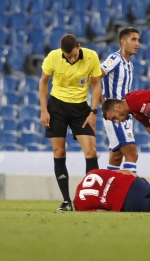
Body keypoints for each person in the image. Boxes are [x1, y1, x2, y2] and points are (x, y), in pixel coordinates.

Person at [39, 34, 103, 211]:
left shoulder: (91, 56)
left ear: (79, 47)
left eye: (74, 55)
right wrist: (44, 110)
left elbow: (96, 84)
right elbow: (43, 81)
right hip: (57, 107)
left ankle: (92, 201)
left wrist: (93, 111)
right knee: (59, 152)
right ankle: (66, 201)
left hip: (80, 109)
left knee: (91, 151)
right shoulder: (53, 57)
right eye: (68, 57)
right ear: (62, 53)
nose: (72, 59)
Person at [100, 27, 140, 173]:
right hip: (116, 115)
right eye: (133, 40)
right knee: (132, 154)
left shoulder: (129, 65)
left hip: (124, 115)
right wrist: (104, 105)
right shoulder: (115, 59)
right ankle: (132, 193)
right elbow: (95, 76)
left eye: (138, 40)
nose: (137, 44)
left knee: (116, 156)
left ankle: (109, 194)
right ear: (123, 42)